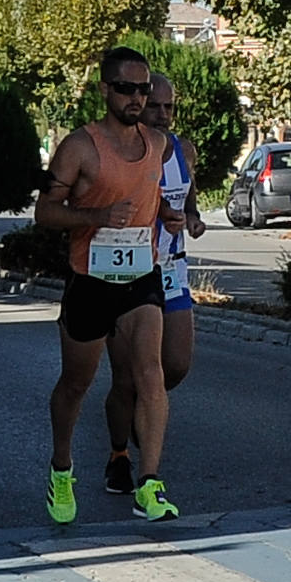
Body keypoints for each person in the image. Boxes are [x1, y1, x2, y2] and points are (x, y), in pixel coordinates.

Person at [35, 46, 185, 525]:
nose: (136, 97)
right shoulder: (81, 146)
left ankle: (151, 484)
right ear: (105, 90)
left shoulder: (157, 145)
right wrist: (96, 217)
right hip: (90, 278)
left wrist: (168, 215)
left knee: (150, 375)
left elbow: (151, 194)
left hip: (140, 276)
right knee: (76, 383)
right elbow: (45, 212)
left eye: (142, 89)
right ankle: (62, 468)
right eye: (125, 88)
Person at [102, 73, 206, 494]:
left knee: (174, 365)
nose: (162, 115)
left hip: (171, 269)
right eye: (154, 107)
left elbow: (189, 197)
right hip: (124, 271)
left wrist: (192, 218)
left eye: (169, 107)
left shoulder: (183, 149)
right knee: (129, 377)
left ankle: (145, 416)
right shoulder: (116, 152)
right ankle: (120, 456)